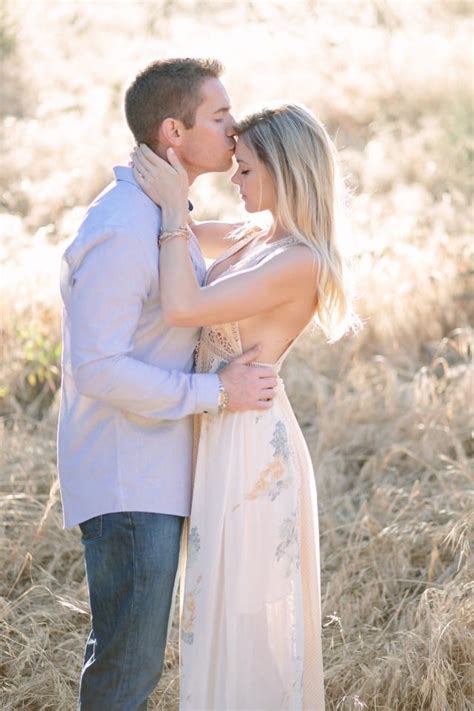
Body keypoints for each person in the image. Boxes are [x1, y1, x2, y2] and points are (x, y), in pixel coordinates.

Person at [57, 58, 278, 711]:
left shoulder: (155, 213)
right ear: (173, 133)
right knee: (128, 669)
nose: (234, 127)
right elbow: (99, 366)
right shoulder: (124, 224)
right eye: (219, 115)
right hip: (129, 475)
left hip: (153, 467)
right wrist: (216, 393)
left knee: (136, 663)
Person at [133, 101, 357, 710]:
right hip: (218, 426)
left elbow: (183, 303)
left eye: (247, 170)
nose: (234, 181)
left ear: (287, 173)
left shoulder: (300, 261)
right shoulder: (257, 234)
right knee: (215, 604)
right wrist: (171, 189)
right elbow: (161, 232)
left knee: (246, 608)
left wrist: (174, 207)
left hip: (252, 444)